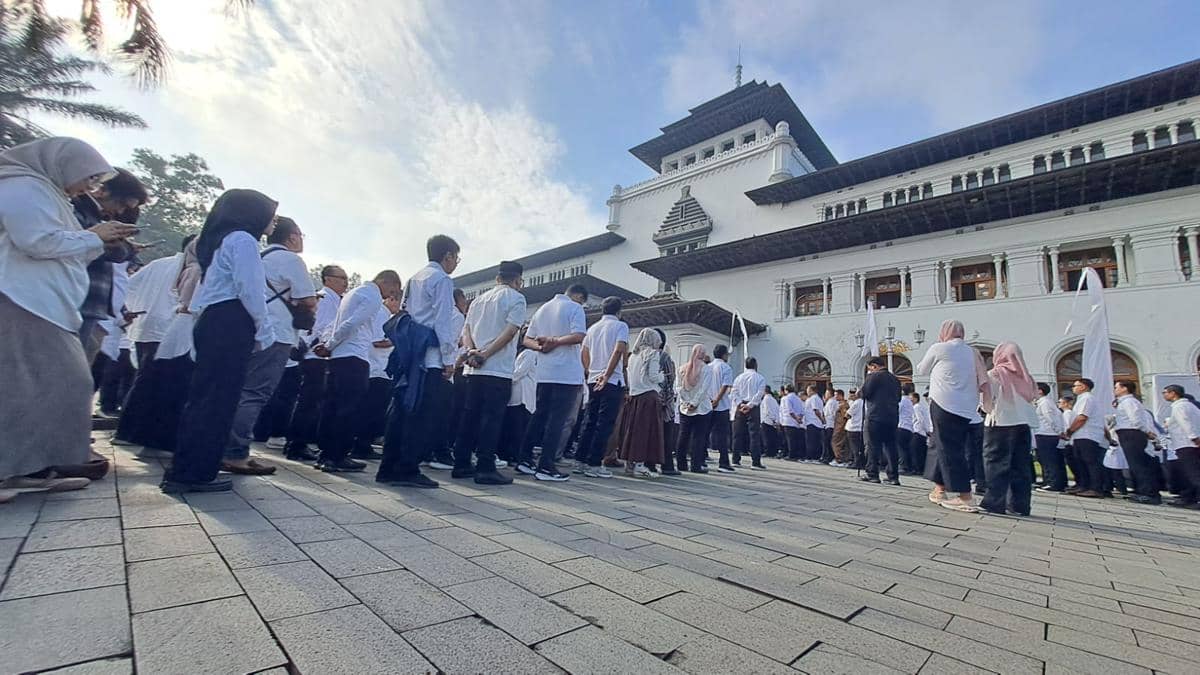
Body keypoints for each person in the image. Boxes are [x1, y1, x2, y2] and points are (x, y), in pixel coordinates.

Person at [1, 138, 136, 503]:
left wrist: (96, 239)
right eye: (88, 179)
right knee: (55, 383)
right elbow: (37, 242)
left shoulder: (48, 193)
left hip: (47, 301)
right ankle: (12, 470)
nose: (89, 189)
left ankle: (30, 468)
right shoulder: (22, 186)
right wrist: (94, 236)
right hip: (24, 297)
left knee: (44, 386)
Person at [162, 189, 278, 493]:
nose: (273, 221)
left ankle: (190, 467)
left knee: (207, 398)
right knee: (217, 400)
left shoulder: (220, 241)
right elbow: (250, 289)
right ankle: (194, 473)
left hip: (216, 319)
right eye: (270, 214)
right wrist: (264, 330)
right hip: (231, 320)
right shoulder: (243, 240)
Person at [223, 217, 315, 475]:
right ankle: (235, 452)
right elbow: (307, 299)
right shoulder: (291, 260)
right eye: (300, 235)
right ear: (292, 236)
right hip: (276, 332)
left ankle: (227, 446)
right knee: (255, 392)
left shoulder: (259, 257)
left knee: (240, 389)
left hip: (249, 328)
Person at [315, 270, 401, 473]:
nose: (390, 295)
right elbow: (351, 324)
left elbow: (337, 323)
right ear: (385, 281)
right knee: (348, 408)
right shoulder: (371, 296)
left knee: (332, 406)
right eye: (392, 289)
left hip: (339, 357)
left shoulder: (353, 294)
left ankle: (326, 453)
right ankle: (337, 455)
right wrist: (330, 344)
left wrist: (330, 345)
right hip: (354, 356)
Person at [452, 260, 527, 485]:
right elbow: (510, 332)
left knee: (470, 416)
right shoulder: (517, 298)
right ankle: (485, 467)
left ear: (497, 278)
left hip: (473, 370)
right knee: (491, 419)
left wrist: (472, 351)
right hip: (497, 368)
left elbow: (466, 329)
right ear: (518, 280)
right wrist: (485, 354)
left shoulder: (478, 301)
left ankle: (462, 463)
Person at [515, 283, 588, 482]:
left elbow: (527, 339)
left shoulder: (543, 309)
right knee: (557, 419)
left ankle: (525, 458)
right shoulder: (575, 308)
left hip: (545, 372)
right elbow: (579, 336)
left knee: (539, 415)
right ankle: (546, 465)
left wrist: (541, 347)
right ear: (579, 297)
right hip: (566, 373)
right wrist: (555, 341)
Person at [915, 319, 989, 512]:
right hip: (968, 407)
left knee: (950, 450)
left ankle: (965, 496)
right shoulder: (972, 352)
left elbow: (921, 369)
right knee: (941, 445)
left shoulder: (940, 348)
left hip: (944, 404)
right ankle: (939, 488)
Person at [73, 168, 145, 362]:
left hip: (90, 305)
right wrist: (118, 246)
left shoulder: (97, 219)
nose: (120, 212)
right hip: (74, 300)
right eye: (121, 204)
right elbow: (112, 252)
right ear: (103, 190)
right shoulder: (75, 210)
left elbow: (117, 252)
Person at [284, 265, 347, 461]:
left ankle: (298, 441)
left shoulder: (334, 300)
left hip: (318, 356)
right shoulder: (326, 299)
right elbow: (320, 327)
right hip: (315, 357)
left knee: (312, 401)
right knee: (309, 401)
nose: (345, 282)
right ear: (328, 279)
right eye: (341, 278)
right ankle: (297, 443)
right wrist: (321, 346)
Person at [979, 342, 1038, 516]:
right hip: (1023, 424)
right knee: (1020, 465)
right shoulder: (1027, 377)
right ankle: (1020, 505)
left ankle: (994, 502)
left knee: (996, 463)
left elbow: (985, 402)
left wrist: (987, 410)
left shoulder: (995, 374)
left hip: (1000, 423)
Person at [577, 296, 630, 478]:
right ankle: (594, 463)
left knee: (589, 420)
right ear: (619, 311)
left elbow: (584, 352)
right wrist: (607, 374)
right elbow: (619, 349)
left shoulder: (592, 328)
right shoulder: (620, 326)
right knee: (604, 423)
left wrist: (589, 370)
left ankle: (580, 460)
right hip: (611, 379)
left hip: (593, 377)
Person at [352, 297, 397, 460]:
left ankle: (363, 443)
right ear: (392, 299)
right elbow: (378, 341)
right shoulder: (381, 314)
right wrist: (398, 340)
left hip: (379, 369)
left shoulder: (384, 314)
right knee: (370, 410)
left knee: (373, 410)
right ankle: (361, 445)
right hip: (377, 368)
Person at [618, 328, 666, 477]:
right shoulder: (652, 354)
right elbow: (652, 376)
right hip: (649, 396)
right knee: (647, 432)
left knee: (633, 430)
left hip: (635, 396)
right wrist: (662, 376)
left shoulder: (633, 356)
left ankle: (630, 463)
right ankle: (640, 465)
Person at [1113, 380, 1161, 504]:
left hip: (1132, 434)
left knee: (1139, 464)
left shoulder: (1129, 402)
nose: (1115, 390)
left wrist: (1146, 432)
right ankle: (1142, 490)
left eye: (1116, 387)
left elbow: (1136, 419)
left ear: (1124, 388)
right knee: (1135, 464)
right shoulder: (1124, 402)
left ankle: (1149, 493)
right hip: (1128, 434)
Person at [1062, 377, 1108, 498]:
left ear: (1083, 387)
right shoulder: (1081, 399)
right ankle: (1084, 485)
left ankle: (1096, 488)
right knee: (1080, 461)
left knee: (1090, 461)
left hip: (1088, 434)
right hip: (1081, 434)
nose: (1073, 388)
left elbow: (1082, 417)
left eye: (1075, 386)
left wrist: (1070, 430)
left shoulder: (1087, 398)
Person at [860, 357, 902, 485]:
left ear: (873, 366)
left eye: (869, 368)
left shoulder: (874, 377)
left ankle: (873, 474)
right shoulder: (895, 379)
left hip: (875, 415)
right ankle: (893, 476)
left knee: (873, 445)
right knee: (891, 446)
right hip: (892, 416)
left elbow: (864, 393)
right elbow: (899, 398)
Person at [675, 344, 714, 473]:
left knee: (683, 435)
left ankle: (681, 464)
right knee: (699, 437)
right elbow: (704, 389)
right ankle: (696, 465)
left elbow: (679, 388)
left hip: (685, 408)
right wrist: (694, 403)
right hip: (702, 408)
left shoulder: (682, 369)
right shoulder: (706, 369)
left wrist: (687, 402)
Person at [500, 330, 536, 465]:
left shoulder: (523, 353)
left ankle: (511, 454)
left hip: (520, 394)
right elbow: (518, 373)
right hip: (522, 395)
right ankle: (515, 455)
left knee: (515, 427)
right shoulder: (529, 354)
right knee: (518, 428)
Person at [1162, 385, 1200, 509]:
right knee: (1189, 473)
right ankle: (1189, 497)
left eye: (1165, 392)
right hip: (1190, 443)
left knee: (1192, 473)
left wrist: (1193, 437)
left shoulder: (1179, 406)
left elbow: (1185, 422)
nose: (1164, 395)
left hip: (1186, 443)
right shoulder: (1190, 406)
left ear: (1173, 393)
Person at [730, 357, 767, 470]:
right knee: (754, 434)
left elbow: (734, 392)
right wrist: (750, 405)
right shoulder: (760, 378)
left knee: (737, 434)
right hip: (753, 408)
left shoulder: (739, 378)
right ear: (755, 365)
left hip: (740, 407)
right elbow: (760, 393)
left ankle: (735, 459)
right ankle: (755, 462)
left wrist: (740, 404)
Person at [654, 328, 681, 475]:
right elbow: (670, 380)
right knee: (666, 434)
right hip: (664, 402)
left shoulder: (641, 356)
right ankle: (667, 465)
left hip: (649, 399)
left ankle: (649, 463)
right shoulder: (664, 357)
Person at [1033, 383, 1067, 492]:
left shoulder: (1045, 402)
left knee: (1049, 459)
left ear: (1040, 391)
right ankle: (1048, 481)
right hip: (1044, 433)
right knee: (1044, 459)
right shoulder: (1042, 402)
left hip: (1047, 434)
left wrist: (1059, 431)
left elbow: (1049, 418)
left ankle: (1053, 483)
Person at [707, 344, 735, 470]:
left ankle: (701, 459)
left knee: (705, 432)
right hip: (721, 405)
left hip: (707, 404)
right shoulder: (725, 367)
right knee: (722, 435)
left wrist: (710, 400)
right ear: (724, 355)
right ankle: (723, 462)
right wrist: (717, 400)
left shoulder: (708, 367)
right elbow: (725, 386)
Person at [1058, 394, 1084, 491]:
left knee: (1073, 463)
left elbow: (1068, 426)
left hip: (1069, 441)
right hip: (1070, 441)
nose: (1059, 404)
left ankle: (1079, 482)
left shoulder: (1068, 413)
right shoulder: (1068, 413)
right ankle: (1079, 482)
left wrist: (1065, 435)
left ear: (1066, 403)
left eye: (1060, 402)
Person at [780, 384, 805, 461]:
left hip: (789, 421)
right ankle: (794, 454)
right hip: (796, 422)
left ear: (786, 390)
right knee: (795, 439)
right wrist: (799, 418)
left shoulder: (786, 398)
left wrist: (796, 418)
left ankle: (791, 455)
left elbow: (790, 411)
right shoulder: (798, 398)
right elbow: (802, 411)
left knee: (790, 440)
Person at [897, 383, 916, 474]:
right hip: (909, 427)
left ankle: (902, 466)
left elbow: (896, 411)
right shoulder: (909, 401)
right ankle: (908, 467)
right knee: (906, 448)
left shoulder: (902, 400)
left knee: (901, 448)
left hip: (901, 425)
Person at [804, 385, 826, 465]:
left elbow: (816, 410)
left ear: (812, 390)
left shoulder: (814, 398)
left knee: (811, 441)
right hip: (814, 422)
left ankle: (811, 457)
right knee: (815, 441)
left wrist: (822, 420)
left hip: (813, 422)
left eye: (808, 390)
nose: (807, 392)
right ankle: (815, 456)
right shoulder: (817, 398)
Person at [910, 392, 931, 475]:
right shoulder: (921, 407)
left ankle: (917, 469)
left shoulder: (916, 407)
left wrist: (926, 430)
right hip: (922, 433)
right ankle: (920, 468)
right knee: (921, 452)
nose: (910, 400)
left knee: (915, 451)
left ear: (915, 398)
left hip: (918, 431)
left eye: (911, 399)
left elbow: (920, 419)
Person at [760, 387, 782, 462]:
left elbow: (767, 410)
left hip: (767, 420)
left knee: (766, 438)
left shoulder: (766, 399)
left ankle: (768, 452)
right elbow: (777, 410)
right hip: (773, 421)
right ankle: (773, 452)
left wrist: (772, 419)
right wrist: (776, 421)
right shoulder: (773, 399)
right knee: (772, 437)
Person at [845, 389, 865, 469]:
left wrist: (845, 411)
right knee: (860, 447)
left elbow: (847, 415)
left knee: (854, 447)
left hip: (853, 427)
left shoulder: (856, 403)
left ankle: (856, 463)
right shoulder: (864, 402)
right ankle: (861, 462)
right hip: (861, 427)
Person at [831, 390, 851, 467]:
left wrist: (842, 425)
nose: (835, 396)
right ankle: (840, 458)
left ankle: (839, 459)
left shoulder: (843, 405)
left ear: (841, 395)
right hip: (838, 426)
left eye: (836, 395)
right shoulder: (840, 404)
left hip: (840, 427)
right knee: (838, 443)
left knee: (836, 442)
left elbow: (845, 416)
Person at [822, 389, 838, 465]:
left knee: (828, 442)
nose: (825, 394)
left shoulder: (832, 402)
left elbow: (832, 414)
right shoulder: (829, 402)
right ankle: (827, 457)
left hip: (830, 424)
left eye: (826, 393)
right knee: (826, 442)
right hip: (828, 424)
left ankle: (829, 457)